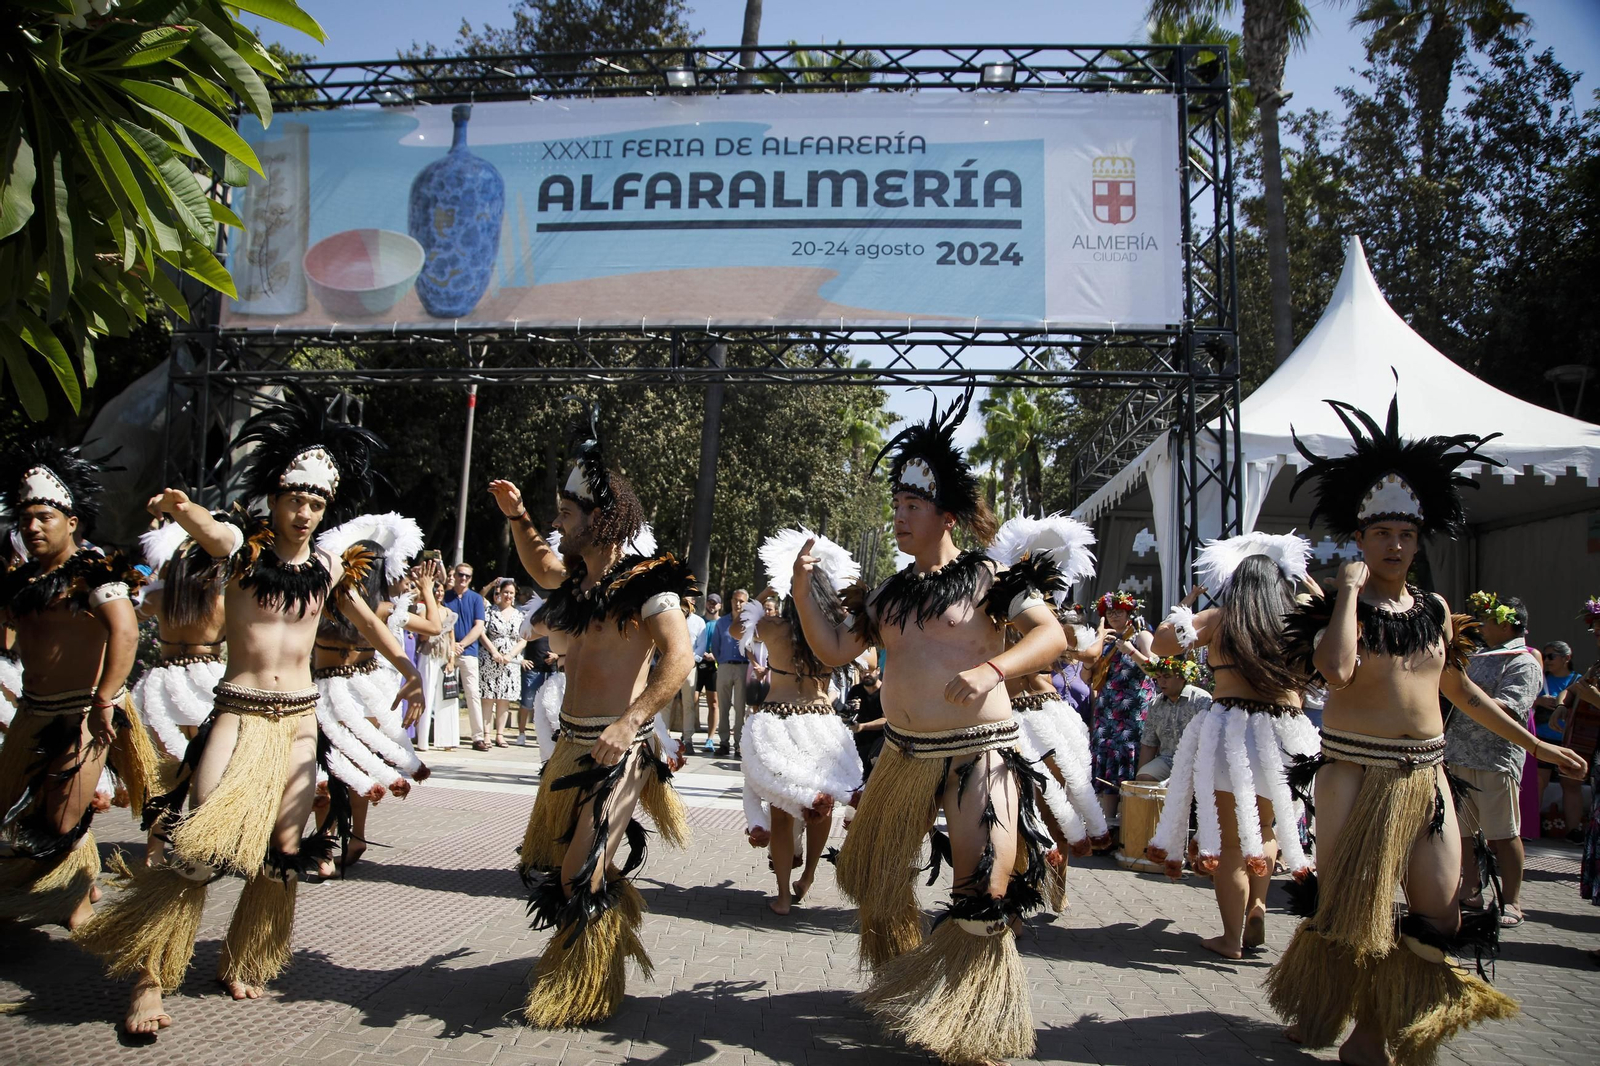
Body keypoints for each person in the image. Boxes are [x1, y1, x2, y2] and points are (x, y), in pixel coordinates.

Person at [75, 387, 422, 1037]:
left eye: (317, 502)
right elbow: (210, 528)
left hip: (297, 721)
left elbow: (367, 621)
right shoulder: (243, 547)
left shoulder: (325, 565)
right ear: (275, 494)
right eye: (296, 497)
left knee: (282, 852)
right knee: (196, 847)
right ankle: (149, 978)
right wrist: (182, 510)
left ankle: (246, 957)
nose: (305, 511)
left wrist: (406, 668)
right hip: (238, 713)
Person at [1261, 389, 1587, 1066]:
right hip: (1353, 769)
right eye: (1382, 534)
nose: (1396, 545)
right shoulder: (1334, 603)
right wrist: (1348, 591)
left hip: (1428, 774)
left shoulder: (1436, 609)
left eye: (1406, 535)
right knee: (1358, 912)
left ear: (1419, 539)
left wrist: (1539, 745)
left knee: (1440, 910)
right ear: (1360, 538)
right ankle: (1359, 1029)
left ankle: (1385, 1024)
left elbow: (1461, 692)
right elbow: (1338, 672)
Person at [792, 389, 1067, 1065]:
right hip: (907, 756)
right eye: (895, 506)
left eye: (911, 506)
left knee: (985, 887)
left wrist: (993, 670)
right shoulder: (886, 594)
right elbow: (832, 652)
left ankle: (970, 1023)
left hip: (982, 752)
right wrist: (802, 591)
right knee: (878, 882)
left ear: (946, 514)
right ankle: (905, 985)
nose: (899, 517)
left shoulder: (992, 579)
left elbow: (1052, 634)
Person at [489, 406, 696, 1028]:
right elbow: (539, 563)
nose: (557, 523)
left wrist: (631, 721)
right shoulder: (575, 581)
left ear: (598, 519)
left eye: (565, 514)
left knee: (580, 872)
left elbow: (680, 658)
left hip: (618, 752)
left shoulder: (648, 586)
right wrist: (518, 516)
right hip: (571, 748)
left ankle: (582, 990)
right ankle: (594, 958)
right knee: (554, 868)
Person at [0, 439, 155, 930]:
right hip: (34, 711)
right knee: (16, 813)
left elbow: (125, 631)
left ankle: (79, 911)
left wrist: (105, 699)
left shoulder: (93, 574)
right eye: (25, 518)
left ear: (71, 522)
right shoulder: (19, 580)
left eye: (44, 516)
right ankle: (62, 886)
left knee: (64, 818)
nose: (32, 526)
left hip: (84, 713)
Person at [1148, 532, 1321, 960]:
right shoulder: (1297, 622)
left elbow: (1161, 643)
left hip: (1234, 731)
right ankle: (1258, 905)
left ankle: (1231, 936)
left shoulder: (1221, 618)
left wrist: (1184, 609)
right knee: (1264, 829)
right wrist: (1317, 596)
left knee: (1229, 842)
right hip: (1288, 734)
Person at [731, 529, 864, 916]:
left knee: (781, 811)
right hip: (822, 725)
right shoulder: (835, 633)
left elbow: (736, 629)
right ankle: (806, 877)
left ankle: (784, 895)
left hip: (778, 724)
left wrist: (765, 592)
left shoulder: (774, 628)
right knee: (822, 808)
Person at [986, 513, 1109, 912]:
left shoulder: (1041, 611)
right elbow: (1085, 652)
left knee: (1052, 804)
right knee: (1026, 809)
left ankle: (1053, 884)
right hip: (1019, 716)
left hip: (1041, 717)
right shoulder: (1005, 605)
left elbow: (1087, 653)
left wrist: (1093, 641)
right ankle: (1032, 893)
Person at [311, 513, 434, 872]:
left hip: (342, 691)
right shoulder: (375, 606)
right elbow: (430, 626)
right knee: (342, 766)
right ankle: (353, 837)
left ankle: (328, 846)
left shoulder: (337, 601)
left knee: (332, 766)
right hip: (358, 691)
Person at [1446, 591, 1541, 928]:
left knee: (1503, 832)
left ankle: (1512, 901)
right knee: (1464, 831)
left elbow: (1512, 707)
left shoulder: (1523, 660)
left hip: (1495, 756)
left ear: (1504, 623)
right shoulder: (1478, 654)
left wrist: (1464, 694)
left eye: (1487, 619)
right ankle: (1471, 889)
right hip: (1458, 752)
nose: (1482, 625)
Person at [132, 519, 228, 765]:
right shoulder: (221, 604)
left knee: (165, 764)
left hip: (164, 681)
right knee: (209, 760)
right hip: (209, 679)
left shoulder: (160, 598)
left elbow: (130, 615)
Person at [1078, 589, 1157, 824]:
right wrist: (1091, 660)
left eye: (1118, 611)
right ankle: (1108, 824)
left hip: (1133, 710)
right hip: (1107, 710)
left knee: (1130, 760)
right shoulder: (1102, 640)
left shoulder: (1141, 636)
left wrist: (1131, 651)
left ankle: (1132, 825)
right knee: (1108, 762)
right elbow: (1085, 679)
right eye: (1109, 611)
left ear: (1129, 612)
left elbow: (1154, 669)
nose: (1113, 615)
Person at [1534, 639, 1584, 841]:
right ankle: (1531, 828)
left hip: (1568, 740)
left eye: (1551, 656)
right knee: (1539, 782)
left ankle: (1574, 831)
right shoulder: (1540, 679)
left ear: (1566, 658)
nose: (1546, 660)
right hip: (1542, 737)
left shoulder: (1578, 680)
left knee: (1571, 784)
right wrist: (1538, 701)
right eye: (1545, 656)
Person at [1134, 656, 1211, 782]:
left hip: (1197, 762)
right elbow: (1149, 744)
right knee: (1145, 777)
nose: (1161, 682)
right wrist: (1138, 783)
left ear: (1182, 677)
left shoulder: (1201, 700)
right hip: (1168, 760)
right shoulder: (1155, 705)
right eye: (1158, 677)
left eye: (1167, 677)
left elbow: (1211, 741)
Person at [442, 563, 489, 751]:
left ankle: (478, 737)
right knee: (446, 694)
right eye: (461, 575)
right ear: (455, 575)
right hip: (447, 651)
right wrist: (452, 646)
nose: (463, 579)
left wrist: (461, 644)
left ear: (471, 579)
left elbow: (479, 626)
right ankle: (446, 734)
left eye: (467, 576)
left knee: (473, 694)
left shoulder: (476, 599)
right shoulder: (445, 597)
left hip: (468, 652)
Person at [414, 566, 460, 752]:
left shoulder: (449, 612)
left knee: (447, 697)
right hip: (428, 654)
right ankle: (423, 740)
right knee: (426, 693)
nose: (439, 593)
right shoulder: (424, 609)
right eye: (436, 590)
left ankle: (446, 739)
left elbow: (452, 637)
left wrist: (451, 659)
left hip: (444, 655)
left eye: (441, 590)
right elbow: (422, 635)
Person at [479, 577, 526, 748]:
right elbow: (481, 633)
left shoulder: (520, 615)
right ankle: (486, 734)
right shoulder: (490, 611)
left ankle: (500, 734)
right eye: (506, 592)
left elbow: (524, 639)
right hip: (490, 658)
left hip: (509, 662)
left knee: (504, 699)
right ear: (500, 593)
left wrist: (510, 655)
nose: (508, 595)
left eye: (511, 593)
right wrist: (494, 652)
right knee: (488, 697)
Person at [708, 588, 751, 756]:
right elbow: (715, 646)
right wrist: (721, 663)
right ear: (731, 601)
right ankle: (724, 742)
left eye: (741, 601)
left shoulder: (749, 622)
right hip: (725, 666)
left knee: (740, 707)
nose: (738, 603)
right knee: (723, 706)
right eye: (735, 600)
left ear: (746, 603)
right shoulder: (722, 622)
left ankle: (738, 743)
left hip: (743, 666)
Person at [845, 655, 886, 777]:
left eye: (870, 671)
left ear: (878, 670)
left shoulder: (885, 691)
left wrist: (862, 727)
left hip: (880, 744)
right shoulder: (855, 690)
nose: (866, 674)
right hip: (858, 744)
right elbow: (847, 716)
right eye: (863, 672)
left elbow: (887, 720)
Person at [693, 593, 721, 752]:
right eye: (710, 602)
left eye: (715, 603)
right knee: (692, 700)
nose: (712, 605)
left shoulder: (722, 623)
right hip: (697, 664)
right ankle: (687, 733)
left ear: (720, 606)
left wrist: (715, 656)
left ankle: (710, 739)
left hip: (714, 666)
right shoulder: (699, 621)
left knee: (714, 703)